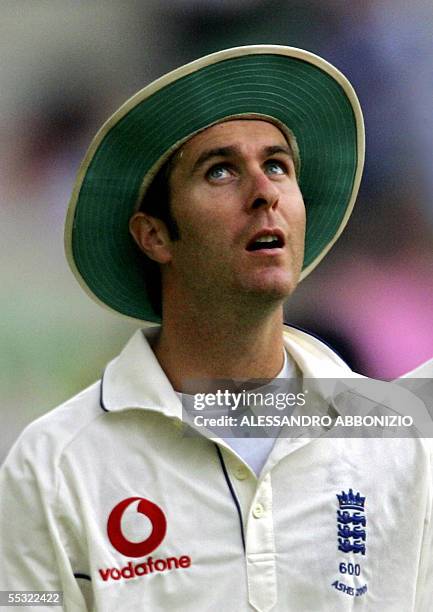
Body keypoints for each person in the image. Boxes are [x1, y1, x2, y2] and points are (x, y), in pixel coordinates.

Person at [1, 45, 432, 611]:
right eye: (221, 170)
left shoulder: (399, 441)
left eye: (278, 165)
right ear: (153, 235)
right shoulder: (52, 465)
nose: (264, 192)